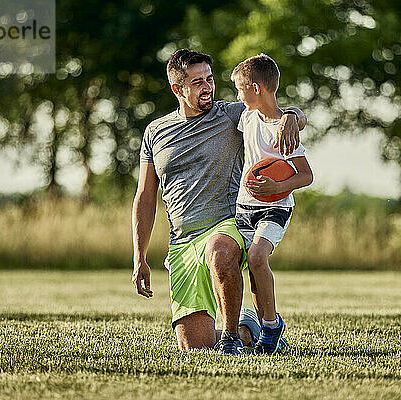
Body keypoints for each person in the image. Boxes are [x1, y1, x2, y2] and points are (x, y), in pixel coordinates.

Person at [131, 49, 306, 354]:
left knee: (220, 250)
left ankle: (230, 337)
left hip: (228, 225)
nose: (208, 86)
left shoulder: (230, 115)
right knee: (195, 347)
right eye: (197, 82)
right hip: (182, 242)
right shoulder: (154, 132)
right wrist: (139, 256)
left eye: (209, 79)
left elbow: (268, 103)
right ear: (178, 89)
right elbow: (145, 196)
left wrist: (293, 116)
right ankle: (248, 329)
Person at [230, 54, 314, 354]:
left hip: (275, 207)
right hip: (245, 206)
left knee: (256, 257)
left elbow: (306, 175)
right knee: (254, 269)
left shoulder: (284, 129)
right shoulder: (247, 118)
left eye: (240, 90)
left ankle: (272, 324)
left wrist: (278, 186)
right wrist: (295, 112)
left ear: (255, 88)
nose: (237, 97)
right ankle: (268, 327)